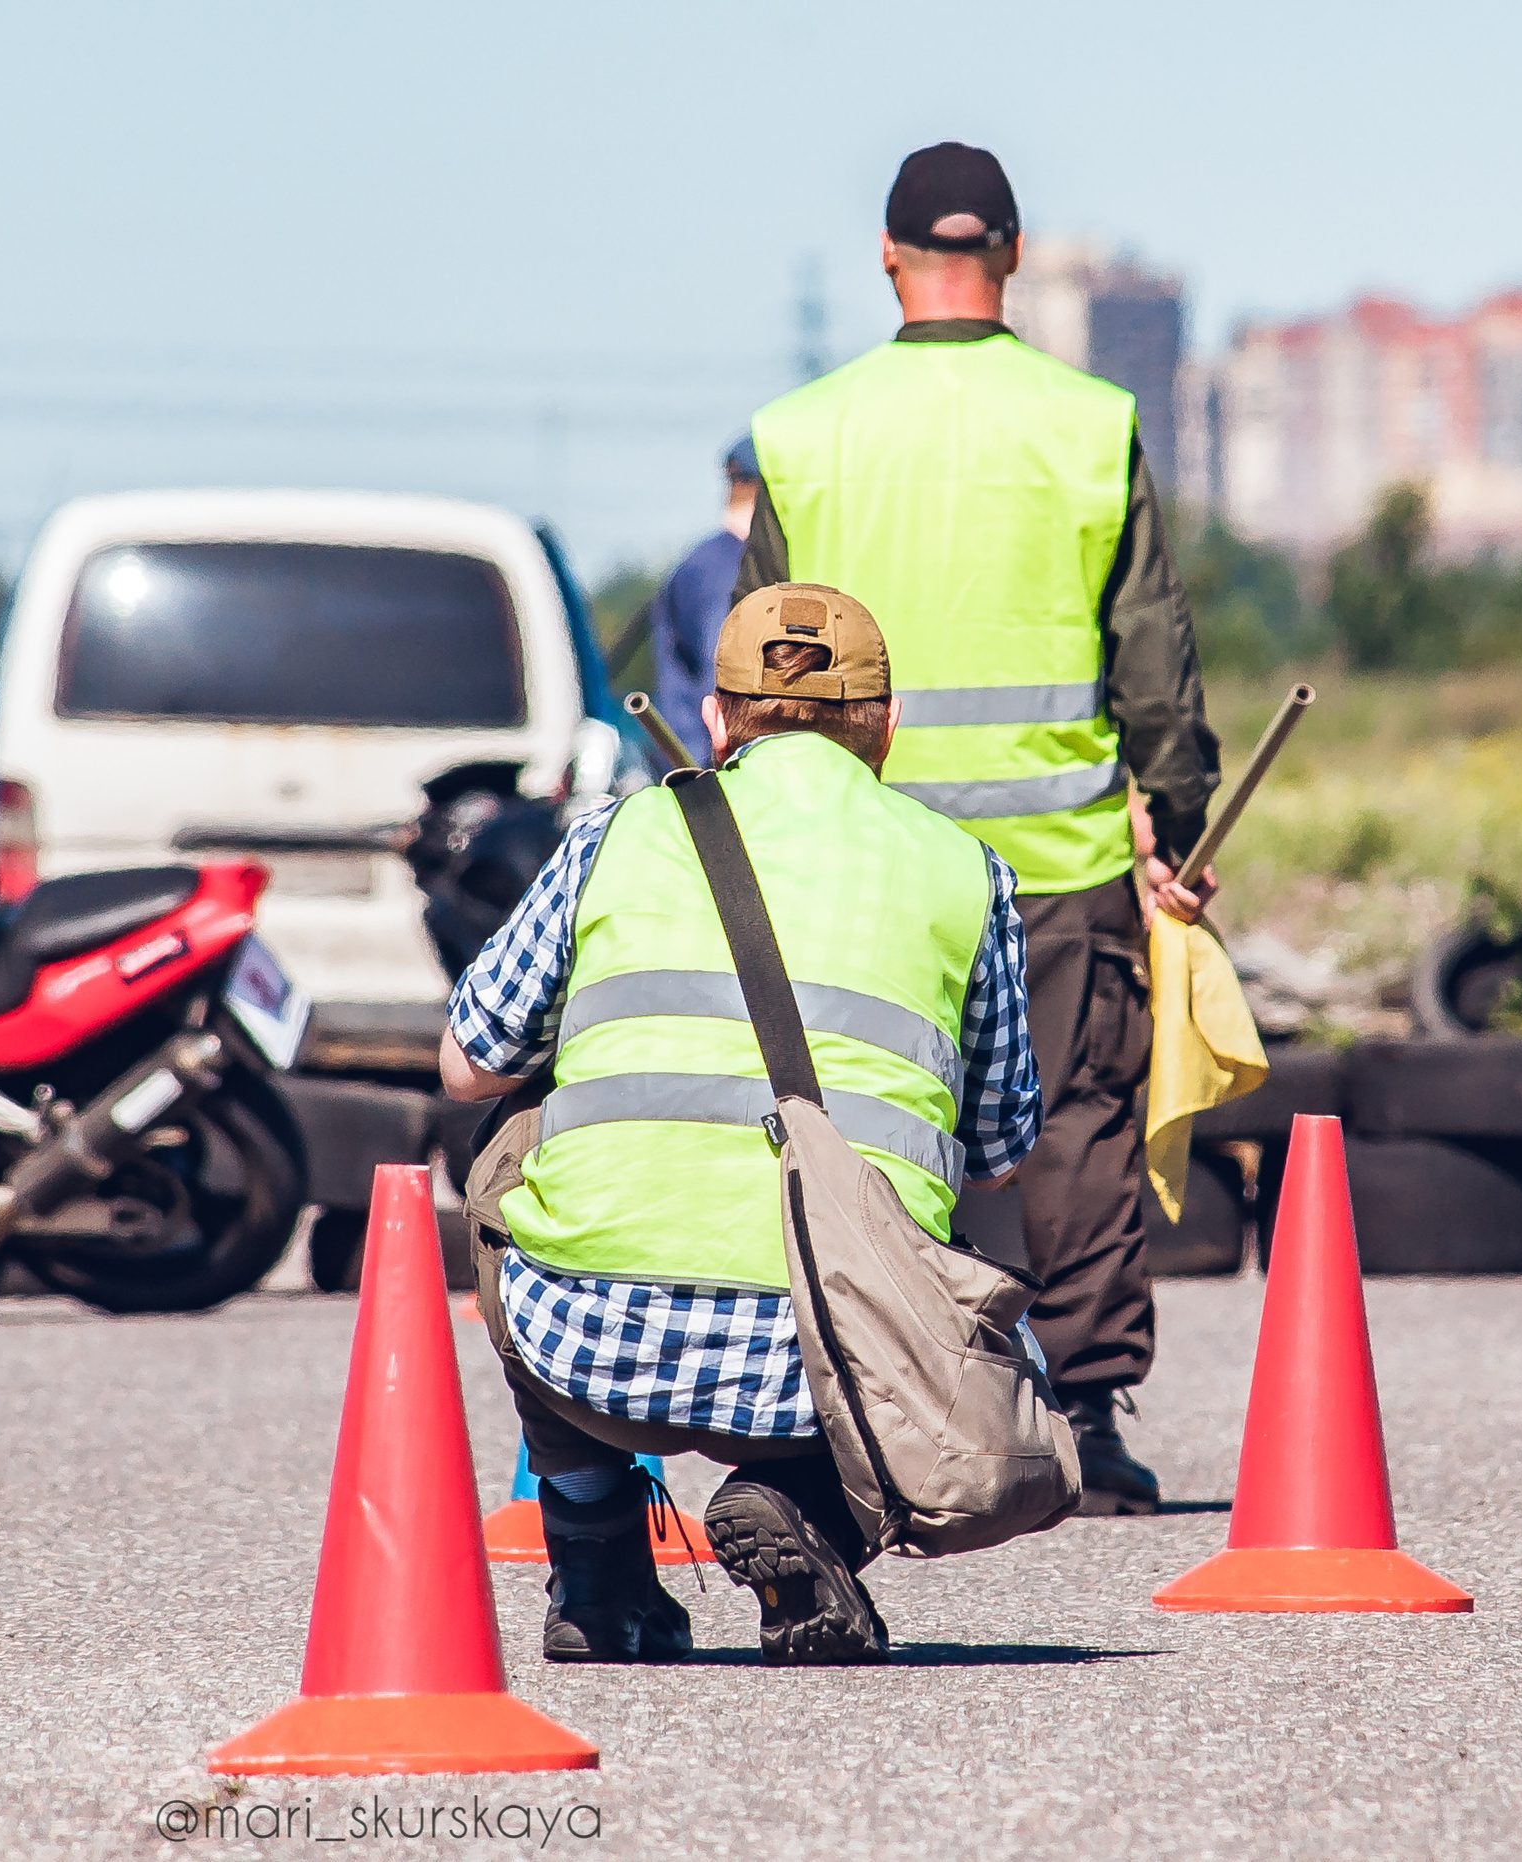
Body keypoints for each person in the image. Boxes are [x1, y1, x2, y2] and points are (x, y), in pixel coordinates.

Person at [732, 143, 1221, 1514]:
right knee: (1070, 1126)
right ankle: (1089, 1415)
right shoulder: (1089, 424)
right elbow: (1153, 660)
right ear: (1010, 255)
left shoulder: (805, 431)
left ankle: (848, 1401)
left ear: (887, 258)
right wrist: (1176, 821)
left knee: (859, 1118)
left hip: (855, 855)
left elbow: (770, 655)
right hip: (1053, 857)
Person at [441, 583, 1041, 1666]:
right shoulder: (968, 869)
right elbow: (1000, 1153)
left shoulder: (614, 833)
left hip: (589, 1338)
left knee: (506, 1150)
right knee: (953, 1231)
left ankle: (596, 1563)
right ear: (887, 725)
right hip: (848, 1358)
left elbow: (467, 1060)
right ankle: (800, 1497)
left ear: (717, 718)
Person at [647, 436, 764, 762]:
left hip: (691, 756)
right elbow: (725, 675)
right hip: (716, 767)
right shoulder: (733, 569)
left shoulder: (705, 561)